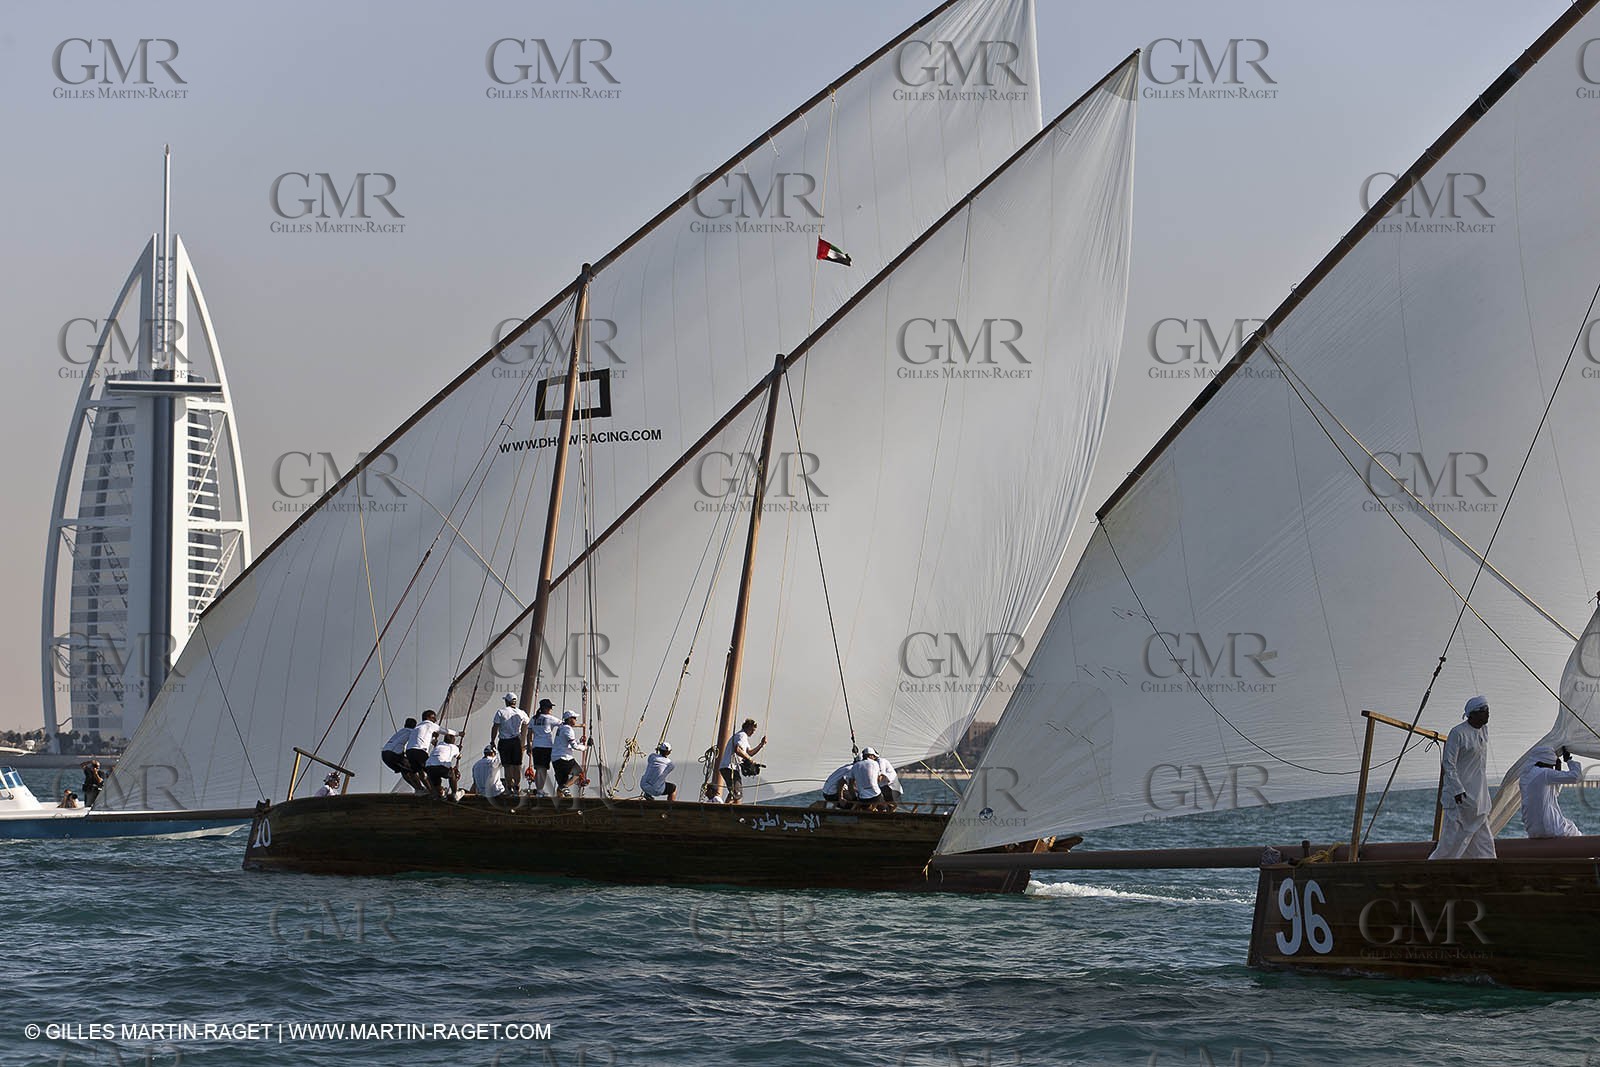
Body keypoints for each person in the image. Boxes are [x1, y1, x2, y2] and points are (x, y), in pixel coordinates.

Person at [1429, 695, 1496, 859]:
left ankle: (1489, 872)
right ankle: (1435, 869)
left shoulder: (1483, 730)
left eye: (1488, 710)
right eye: (1483, 711)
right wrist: (1457, 789)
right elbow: (1448, 763)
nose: (1487, 714)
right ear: (1472, 714)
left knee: (1485, 844)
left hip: (1479, 800)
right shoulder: (1458, 733)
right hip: (1460, 799)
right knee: (1451, 841)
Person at [1521, 744, 1583, 838]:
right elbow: (1576, 777)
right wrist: (1569, 761)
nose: (1552, 768)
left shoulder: (1525, 776)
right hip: (1549, 828)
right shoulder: (1544, 773)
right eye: (1552, 765)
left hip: (1533, 831)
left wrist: (1558, 769)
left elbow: (1552, 794)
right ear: (1545, 762)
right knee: (1573, 829)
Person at [717, 718, 768, 803]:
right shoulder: (742, 735)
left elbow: (750, 752)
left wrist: (761, 744)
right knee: (738, 795)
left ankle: (724, 809)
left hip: (728, 767)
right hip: (730, 767)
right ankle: (729, 812)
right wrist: (750, 760)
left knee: (734, 793)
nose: (753, 733)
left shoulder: (743, 737)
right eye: (752, 730)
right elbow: (737, 749)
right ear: (747, 727)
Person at [490, 693, 530, 797]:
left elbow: (495, 727)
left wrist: (492, 741)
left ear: (506, 701)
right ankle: (517, 787)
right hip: (516, 741)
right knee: (517, 766)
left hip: (504, 742)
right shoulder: (521, 713)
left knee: (507, 766)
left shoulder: (501, 712)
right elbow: (527, 722)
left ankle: (509, 788)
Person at [403, 710, 441, 796]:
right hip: (416, 753)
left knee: (413, 772)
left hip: (408, 754)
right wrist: (458, 733)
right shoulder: (412, 731)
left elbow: (417, 740)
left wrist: (431, 739)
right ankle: (434, 791)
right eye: (433, 718)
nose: (435, 720)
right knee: (429, 771)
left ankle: (421, 789)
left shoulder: (413, 730)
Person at [551, 710, 587, 798]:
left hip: (556, 758)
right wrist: (584, 747)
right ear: (569, 719)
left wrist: (579, 741)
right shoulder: (568, 729)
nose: (576, 720)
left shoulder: (561, 728)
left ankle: (559, 803)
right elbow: (574, 746)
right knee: (579, 772)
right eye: (574, 718)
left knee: (561, 784)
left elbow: (565, 743)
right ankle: (565, 787)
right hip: (564, 758)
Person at [528, 698, 560, 796]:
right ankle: (540, 790)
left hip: (536, 746)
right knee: (543, 769)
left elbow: (529, 734)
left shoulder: (534, 718)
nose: (551, 709)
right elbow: (565, 724)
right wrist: (582, 725)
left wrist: (529, 745)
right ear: (545, 708)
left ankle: (539, 789)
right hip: (546, 746)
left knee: (539, 768)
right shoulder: (550, 718)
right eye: (550, 707)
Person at [382, 717, 419, 790]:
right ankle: (421, 789)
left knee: (404, 770)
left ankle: (418, 789)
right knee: (413, 768)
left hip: (384, 754)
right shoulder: (413, 732)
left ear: (405, 724)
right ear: (415, 726)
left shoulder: (401, 731)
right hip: (394, 754)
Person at [425, 730, 462, 798]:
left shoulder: (439, 745)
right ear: (453, 741)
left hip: (429, 767)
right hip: (441, 767)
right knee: (452, 774)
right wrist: (458, 749)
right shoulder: (454, 748)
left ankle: (440, 793)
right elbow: (459, 756)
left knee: (436, 781)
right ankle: (454, 794)